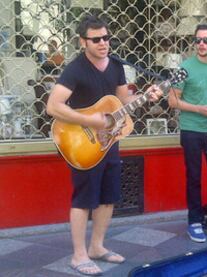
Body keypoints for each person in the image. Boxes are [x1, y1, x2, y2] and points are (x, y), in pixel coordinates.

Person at [46, 15, 161, 276]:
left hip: (109, 142)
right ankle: (79, 255)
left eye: (106, 38)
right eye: (96, 39)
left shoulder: (117, 66)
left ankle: (97, 247)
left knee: (108, 198)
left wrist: (147, 96)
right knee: (83, 199)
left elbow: (123, 102)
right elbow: (53, 106)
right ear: (82, 41)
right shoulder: (75, 69)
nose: (103, 43)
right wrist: (89, 120)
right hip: (81, 142)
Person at [168, 24, 207, 243]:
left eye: (206, 40)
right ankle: (194, 221)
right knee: (194, 177)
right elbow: (172, 100)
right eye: (197, 40)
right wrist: (198, 109)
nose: (201, 44)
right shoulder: (185, 67)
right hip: (191, 129)